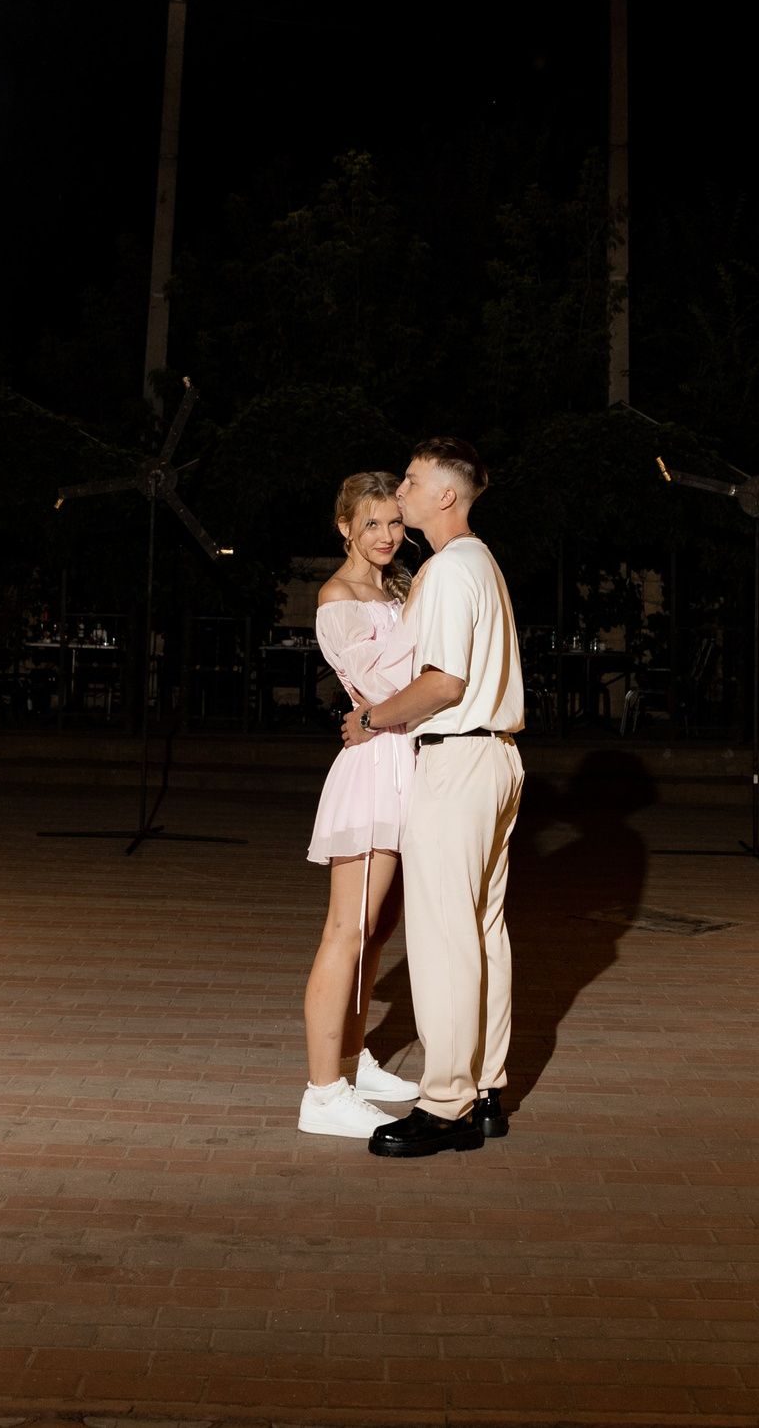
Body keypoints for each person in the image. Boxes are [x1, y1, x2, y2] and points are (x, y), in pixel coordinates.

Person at [339, 437, 523, 1158]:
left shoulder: (449, 568)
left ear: (446, 494)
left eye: (412, 481)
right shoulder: (482, 562)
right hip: (497, 757)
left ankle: (446, 1104)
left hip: (458, 757)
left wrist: (370, 719)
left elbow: (444, 683)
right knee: (483, 931)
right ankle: (486, 1090)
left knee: (445, 938)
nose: (402, 491)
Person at [297, 472, 425, 1138]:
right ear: (344, 526)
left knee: (376, 931)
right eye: (370, 523)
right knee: (345, 931)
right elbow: (384, 686)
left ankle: (351, 1061)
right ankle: (322, 1094)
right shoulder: (338, 597)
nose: (386, 535)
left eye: (394, 522)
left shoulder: (397, 588)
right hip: (374, 768)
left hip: (406, 761)